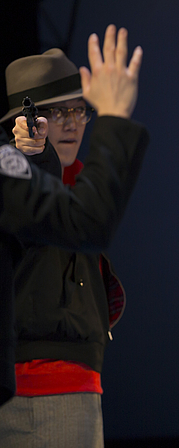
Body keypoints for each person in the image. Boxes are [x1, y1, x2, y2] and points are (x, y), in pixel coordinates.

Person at [0, 25, 149, 447]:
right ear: (20, 123)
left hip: (75, 382)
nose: (69, 123)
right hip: (38, 388)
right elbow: (81, 218)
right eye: (53, 113)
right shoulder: (22, 178)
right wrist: (33, 154)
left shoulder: (78, 186)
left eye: (78, 111)